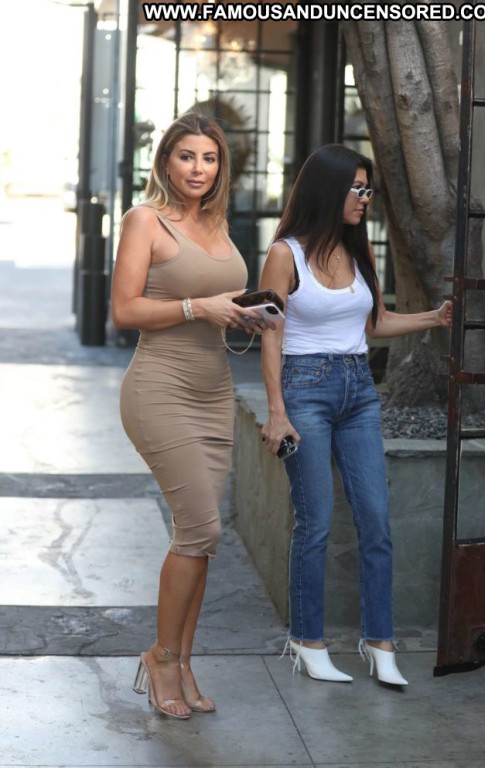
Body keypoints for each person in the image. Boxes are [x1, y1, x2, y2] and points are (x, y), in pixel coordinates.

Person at [259, 144, 452, 687]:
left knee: (376, 519)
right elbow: (271, 337)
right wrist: (276, 413)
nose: (366, 199)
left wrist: (434, 318)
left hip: (359, 390)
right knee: (315, 522)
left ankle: (379, 641)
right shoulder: (285, 255)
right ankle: (307, 640)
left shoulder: (358, 246)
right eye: (357, 189)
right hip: (304, 390)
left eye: (369, 190)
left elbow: (375, 324)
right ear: (329, 189)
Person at [111, 112, 267, 719]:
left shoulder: (219, 223)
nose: (198, 169)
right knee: (200, 528)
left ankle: (182, 659)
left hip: (213, 392)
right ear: (165, 161)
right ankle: (161, 658)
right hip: (159, 389)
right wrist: (197, 307)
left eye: (209, 158)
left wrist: (245, 314)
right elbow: (125, 310)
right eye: (186, 156)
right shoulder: (145, 220)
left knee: (202, 537)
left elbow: (218, 302)